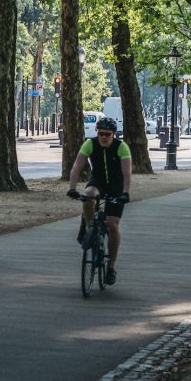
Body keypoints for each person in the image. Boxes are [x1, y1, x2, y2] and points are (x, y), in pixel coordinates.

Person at [66, 116, 131, 286]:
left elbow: (127, 173)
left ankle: (111, 267)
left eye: (107, 134)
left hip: (116, 185)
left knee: (112, 224)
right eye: (100, 133)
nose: (103, 137)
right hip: (99, 182)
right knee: (88, 195)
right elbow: (76, 167)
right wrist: (72, 189)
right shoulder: (90, 144)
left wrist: (125, 193)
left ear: (113, 135)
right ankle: (89, 228)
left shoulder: (121, 147)